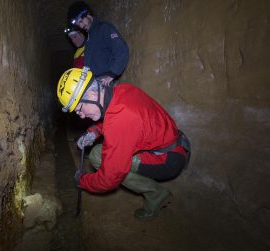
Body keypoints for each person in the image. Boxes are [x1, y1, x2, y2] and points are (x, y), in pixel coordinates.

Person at [56, 67, 191, 220]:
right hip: (172, 143)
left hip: (168, 159)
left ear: (92, 95)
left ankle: (156, 194)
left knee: (98, 157)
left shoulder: (119, 123)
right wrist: (94, 130)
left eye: (79, 109)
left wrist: (83, 180)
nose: (81, 116)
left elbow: (109, 179)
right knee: (102, 152)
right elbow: (114, 114)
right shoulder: (123, 90)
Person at [67, 1, 129, 87]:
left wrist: (112, 74)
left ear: (88, 14)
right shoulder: (89, 38)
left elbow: (121, 50)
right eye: (79, 24)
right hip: (93, 83)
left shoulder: (104, 28)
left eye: (81, 21)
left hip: (104, 82)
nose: (81, 26)